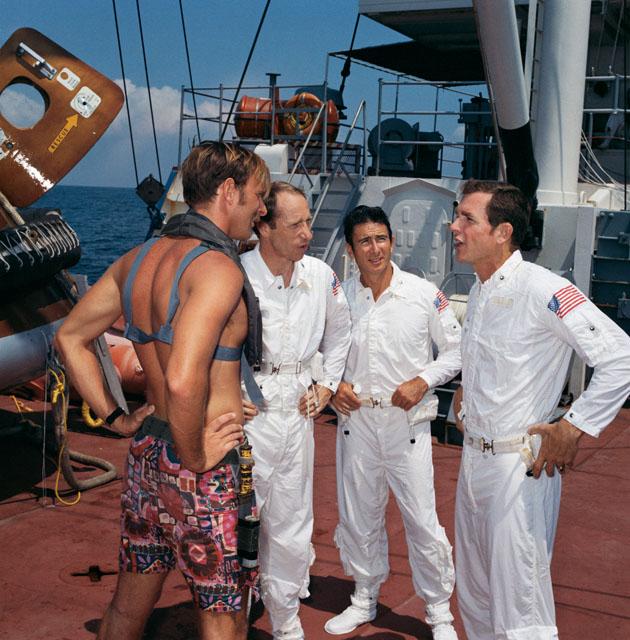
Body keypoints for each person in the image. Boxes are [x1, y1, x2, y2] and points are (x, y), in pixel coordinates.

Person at [53, 141, 270, 640]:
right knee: (225, 620)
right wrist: (196, 458)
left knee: (128, 608)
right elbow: (182, 378)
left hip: (147, 451)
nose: (262, 209)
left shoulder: (138, 257)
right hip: (200, 462)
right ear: (228, 190)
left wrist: (116, 418)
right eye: (257, 196)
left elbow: (70, 337)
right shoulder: (216, 268)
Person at [450, 179, 630, 639]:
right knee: (474, 596)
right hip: (473, 461)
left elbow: (620, 356)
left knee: (521, 605)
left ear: (502, 232)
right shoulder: (481, 290)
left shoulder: (543, 288)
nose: (454, 227)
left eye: (467, 219)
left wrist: (573, 427)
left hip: (518, 466)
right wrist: (465, 393)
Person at [325, 205, 461, 640]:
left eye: (381, 238)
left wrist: (424, 380)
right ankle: (364, 597)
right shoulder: (339, 298)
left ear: (392, 241)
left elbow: (457, 351)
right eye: (364, 241)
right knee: (359, 515)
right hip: (357, 422)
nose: (375, 248)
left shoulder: (423, 294)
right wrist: (333, 385)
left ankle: (439, 612)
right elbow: (314, 351)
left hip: (407, 426)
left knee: (421, 519)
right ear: (350, 249)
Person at [240, 181, 351, 640]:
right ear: (263, 227)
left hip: (298, 415)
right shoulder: (233, 273)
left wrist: (325, 387)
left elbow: (341, 335)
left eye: (308, 221)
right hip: (248, 413)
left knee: (291, 522)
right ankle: (228, 612)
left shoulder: (322, 276)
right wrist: (227, 392)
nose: (308, 232)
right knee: (237, 520)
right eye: (296, 224)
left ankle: (285, 621)